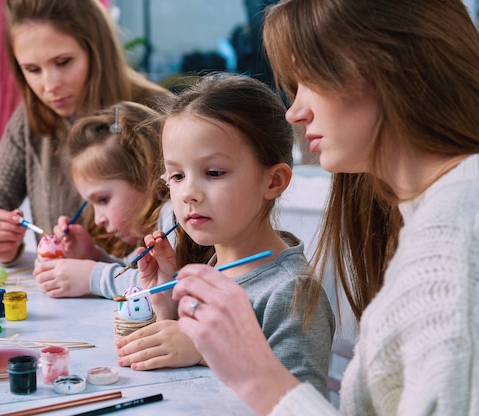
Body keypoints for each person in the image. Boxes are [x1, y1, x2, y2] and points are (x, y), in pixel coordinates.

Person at [171, 1, 479, 415]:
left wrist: (257, 375)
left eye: (308, 80)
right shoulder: (432, 215)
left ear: (385, 68)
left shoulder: (456, 240)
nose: (295, 112)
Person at [115, 74, 335, 397]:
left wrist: (204, 350)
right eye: (176, 175)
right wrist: (164, 308)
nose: (188, 193)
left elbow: (302, 401)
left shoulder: (290, 294)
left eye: (214, 173)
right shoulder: (212, 270)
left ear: (273, 181)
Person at [0, 0, 171, 265]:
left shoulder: (162, 115)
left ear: (97, 51)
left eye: (63, 62)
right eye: (32, 69)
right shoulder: (29, 119)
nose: (50, 85)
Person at [33, 101, 176, 298]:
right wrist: (92, 256)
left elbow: (164, 285)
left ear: (145, 175)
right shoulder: (153, 226)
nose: (98, 219)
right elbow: (133, 271)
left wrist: (90, 277)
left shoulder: (173, 215)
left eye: (102, 199)